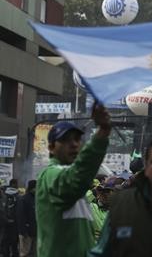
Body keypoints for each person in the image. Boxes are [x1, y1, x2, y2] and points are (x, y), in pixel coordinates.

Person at [36, 104, 111, 257]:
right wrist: (101, 134)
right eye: (65, 140)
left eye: (77, 139)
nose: (74, 144)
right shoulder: (50, 175)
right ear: (51, 147)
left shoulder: (75, 182)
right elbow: (75, 179)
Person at [16, 180, 36, 257]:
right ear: (32, 188)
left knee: (34, 253)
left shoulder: (36, 199)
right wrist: (23, 231)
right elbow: (20, 216)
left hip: (34, 231)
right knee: (25, 253)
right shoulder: (23, 199)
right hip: (26, 233)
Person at [2, 179, 19, 257]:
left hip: (4, 223)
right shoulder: (17, 196)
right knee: (14, 243)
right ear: (13, 184)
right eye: (16, 184)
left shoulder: (4, 195)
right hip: (15, 223)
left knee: (5, 242)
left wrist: (5, 219)